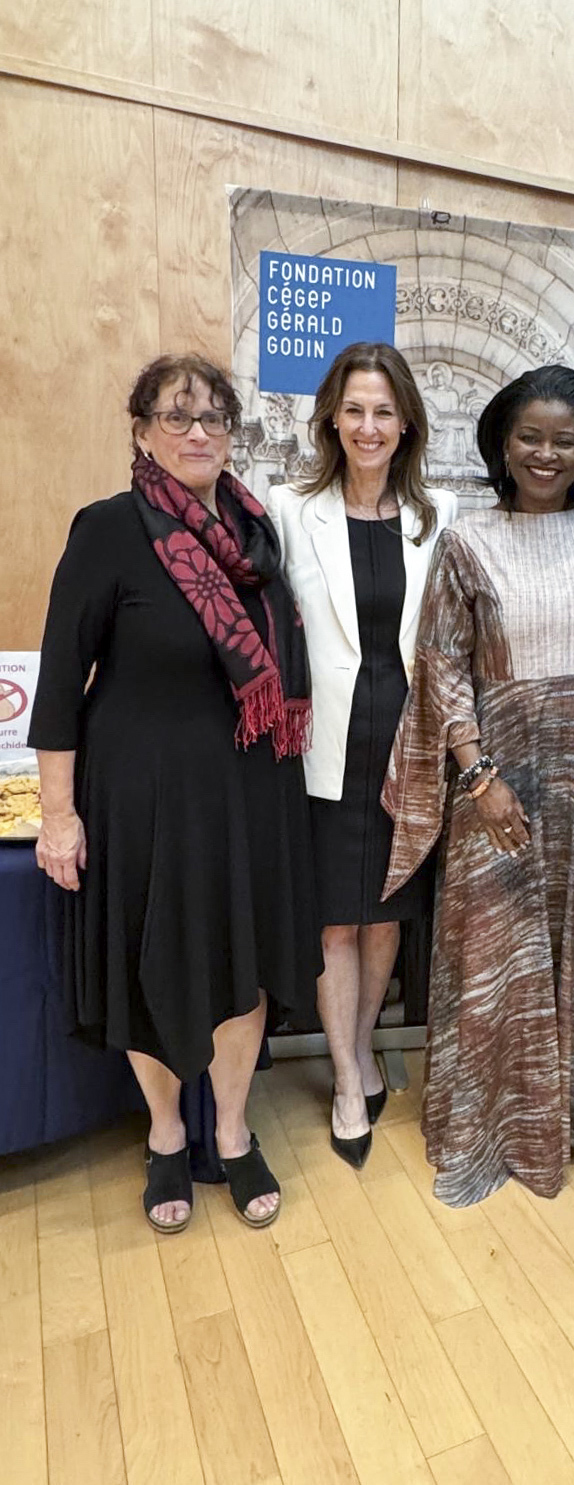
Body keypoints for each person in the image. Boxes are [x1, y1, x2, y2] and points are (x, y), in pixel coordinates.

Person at [30, 354, 322, 1232]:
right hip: (143, 798)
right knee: (152, 964)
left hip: (250, 795)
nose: (198, 432)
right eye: (176, 415)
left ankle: (231, 1131)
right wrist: (58, 815)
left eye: (214, 417)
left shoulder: (256, 532)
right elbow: (58, 685)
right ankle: (165, 1135)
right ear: (142, 430)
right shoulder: (109, 529)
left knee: (242, 966)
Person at [380, 364, 574, 1207]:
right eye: (529, 436)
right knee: (493, 944)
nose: (545, 453)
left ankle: (571, 1112)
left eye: (564, 440)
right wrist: (478, 774)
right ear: (502, 444)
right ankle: (489, 1123)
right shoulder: (467, 543)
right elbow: (441, 665)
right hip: (494, 780)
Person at [263, 343, 457, 1167]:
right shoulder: (289, 509)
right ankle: (347, 1075)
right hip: (324, 749)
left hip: (406, 748)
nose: (368, 426)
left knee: (386, 915)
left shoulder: (438, 515)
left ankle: (366, 1037)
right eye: (354, 410)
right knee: (335, 918)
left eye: (383, 411)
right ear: (332, 420)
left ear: (405, 421)